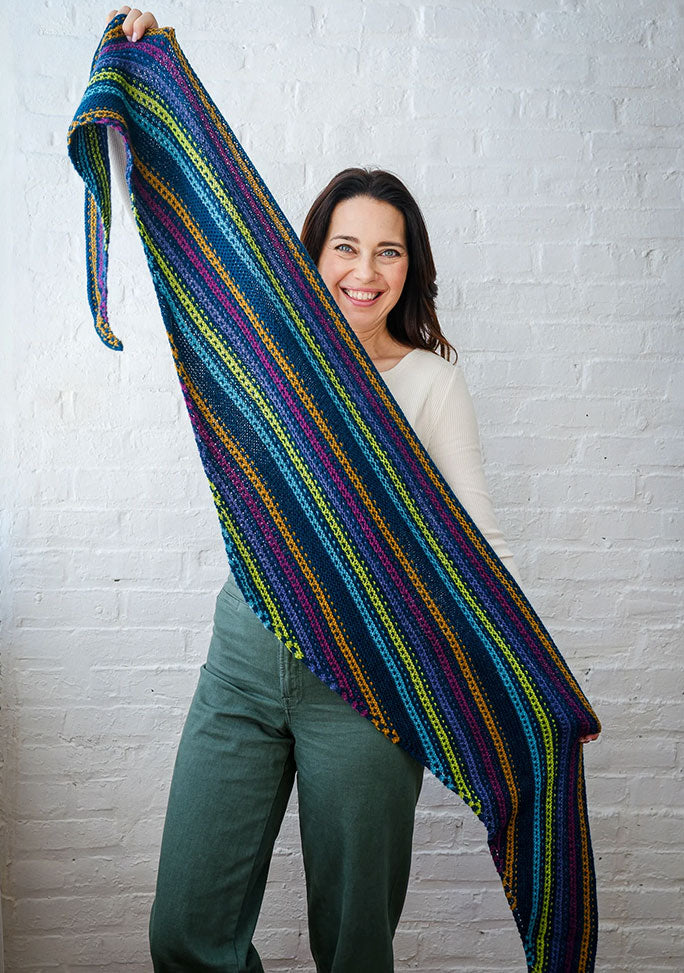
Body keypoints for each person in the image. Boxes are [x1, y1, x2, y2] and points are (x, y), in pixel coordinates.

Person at [105, 9, 600, 970]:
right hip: (245, 660)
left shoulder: (428, 382)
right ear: (311, 255)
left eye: (388, 250)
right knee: (184, 934)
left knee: (353, 947)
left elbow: (476, 552)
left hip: (371, 684)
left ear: (409, 266)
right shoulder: (274, 357)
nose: (363, 270)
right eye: (344, 246)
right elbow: (201, 223)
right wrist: (151, 67)